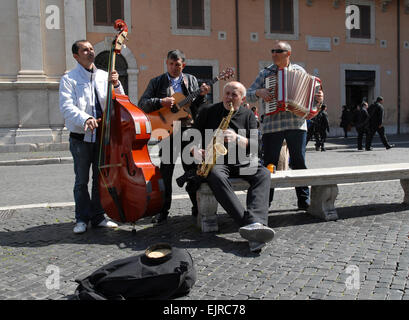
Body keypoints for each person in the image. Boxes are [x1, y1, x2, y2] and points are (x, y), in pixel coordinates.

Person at [191, 81, 275, 253]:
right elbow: (190, 138)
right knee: (215, 175)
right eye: (227, 93)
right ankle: (251, 225)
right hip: (217, 161)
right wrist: (194, 151)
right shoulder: (208, 111)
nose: (229, 97)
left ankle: (256, 221)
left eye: (234, 95)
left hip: (242, 160)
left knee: (264, 174)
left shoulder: (248, 115)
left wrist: (238, 138)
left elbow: (255, 146)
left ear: (242, 98)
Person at [246, 40, 324, 210]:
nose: (274, 54)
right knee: (269, 164)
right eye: (272, 51)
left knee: (299, 162)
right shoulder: (265, 74)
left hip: (296, 124)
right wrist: (259, 92)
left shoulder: (300, 71)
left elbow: (312, 96)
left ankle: (304, 200)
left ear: (288, 54)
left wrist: (318, 98)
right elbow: (247, 94)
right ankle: (265, 202)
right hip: (272, 126)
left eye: (278, 51)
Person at [138, 49, 210, 225]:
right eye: (170, 64)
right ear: (166, 64)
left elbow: (197, 105)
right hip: (166, 130)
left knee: (192, 169)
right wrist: (160, 102)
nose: (174, 67)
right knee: (166, 171)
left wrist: (202, 95)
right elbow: (143, 104)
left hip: (187, 129)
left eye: (177, 64)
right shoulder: (157, 82)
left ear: (182, 65)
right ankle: (163, 211)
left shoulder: (191, 80)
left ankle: (197, 207)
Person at [59, 40, 124, 234]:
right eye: (84, 50)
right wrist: (85, 118)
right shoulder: (69, 78)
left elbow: (120, 100)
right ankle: (81, 218)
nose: (90, 52)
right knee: (81, 180)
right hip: (81, 137)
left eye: (91, 49)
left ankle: (98, 217)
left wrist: (117, 84)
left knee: (100, 179)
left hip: (102, 136)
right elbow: (67, 107)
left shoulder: (105, 76)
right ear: (76, 56)